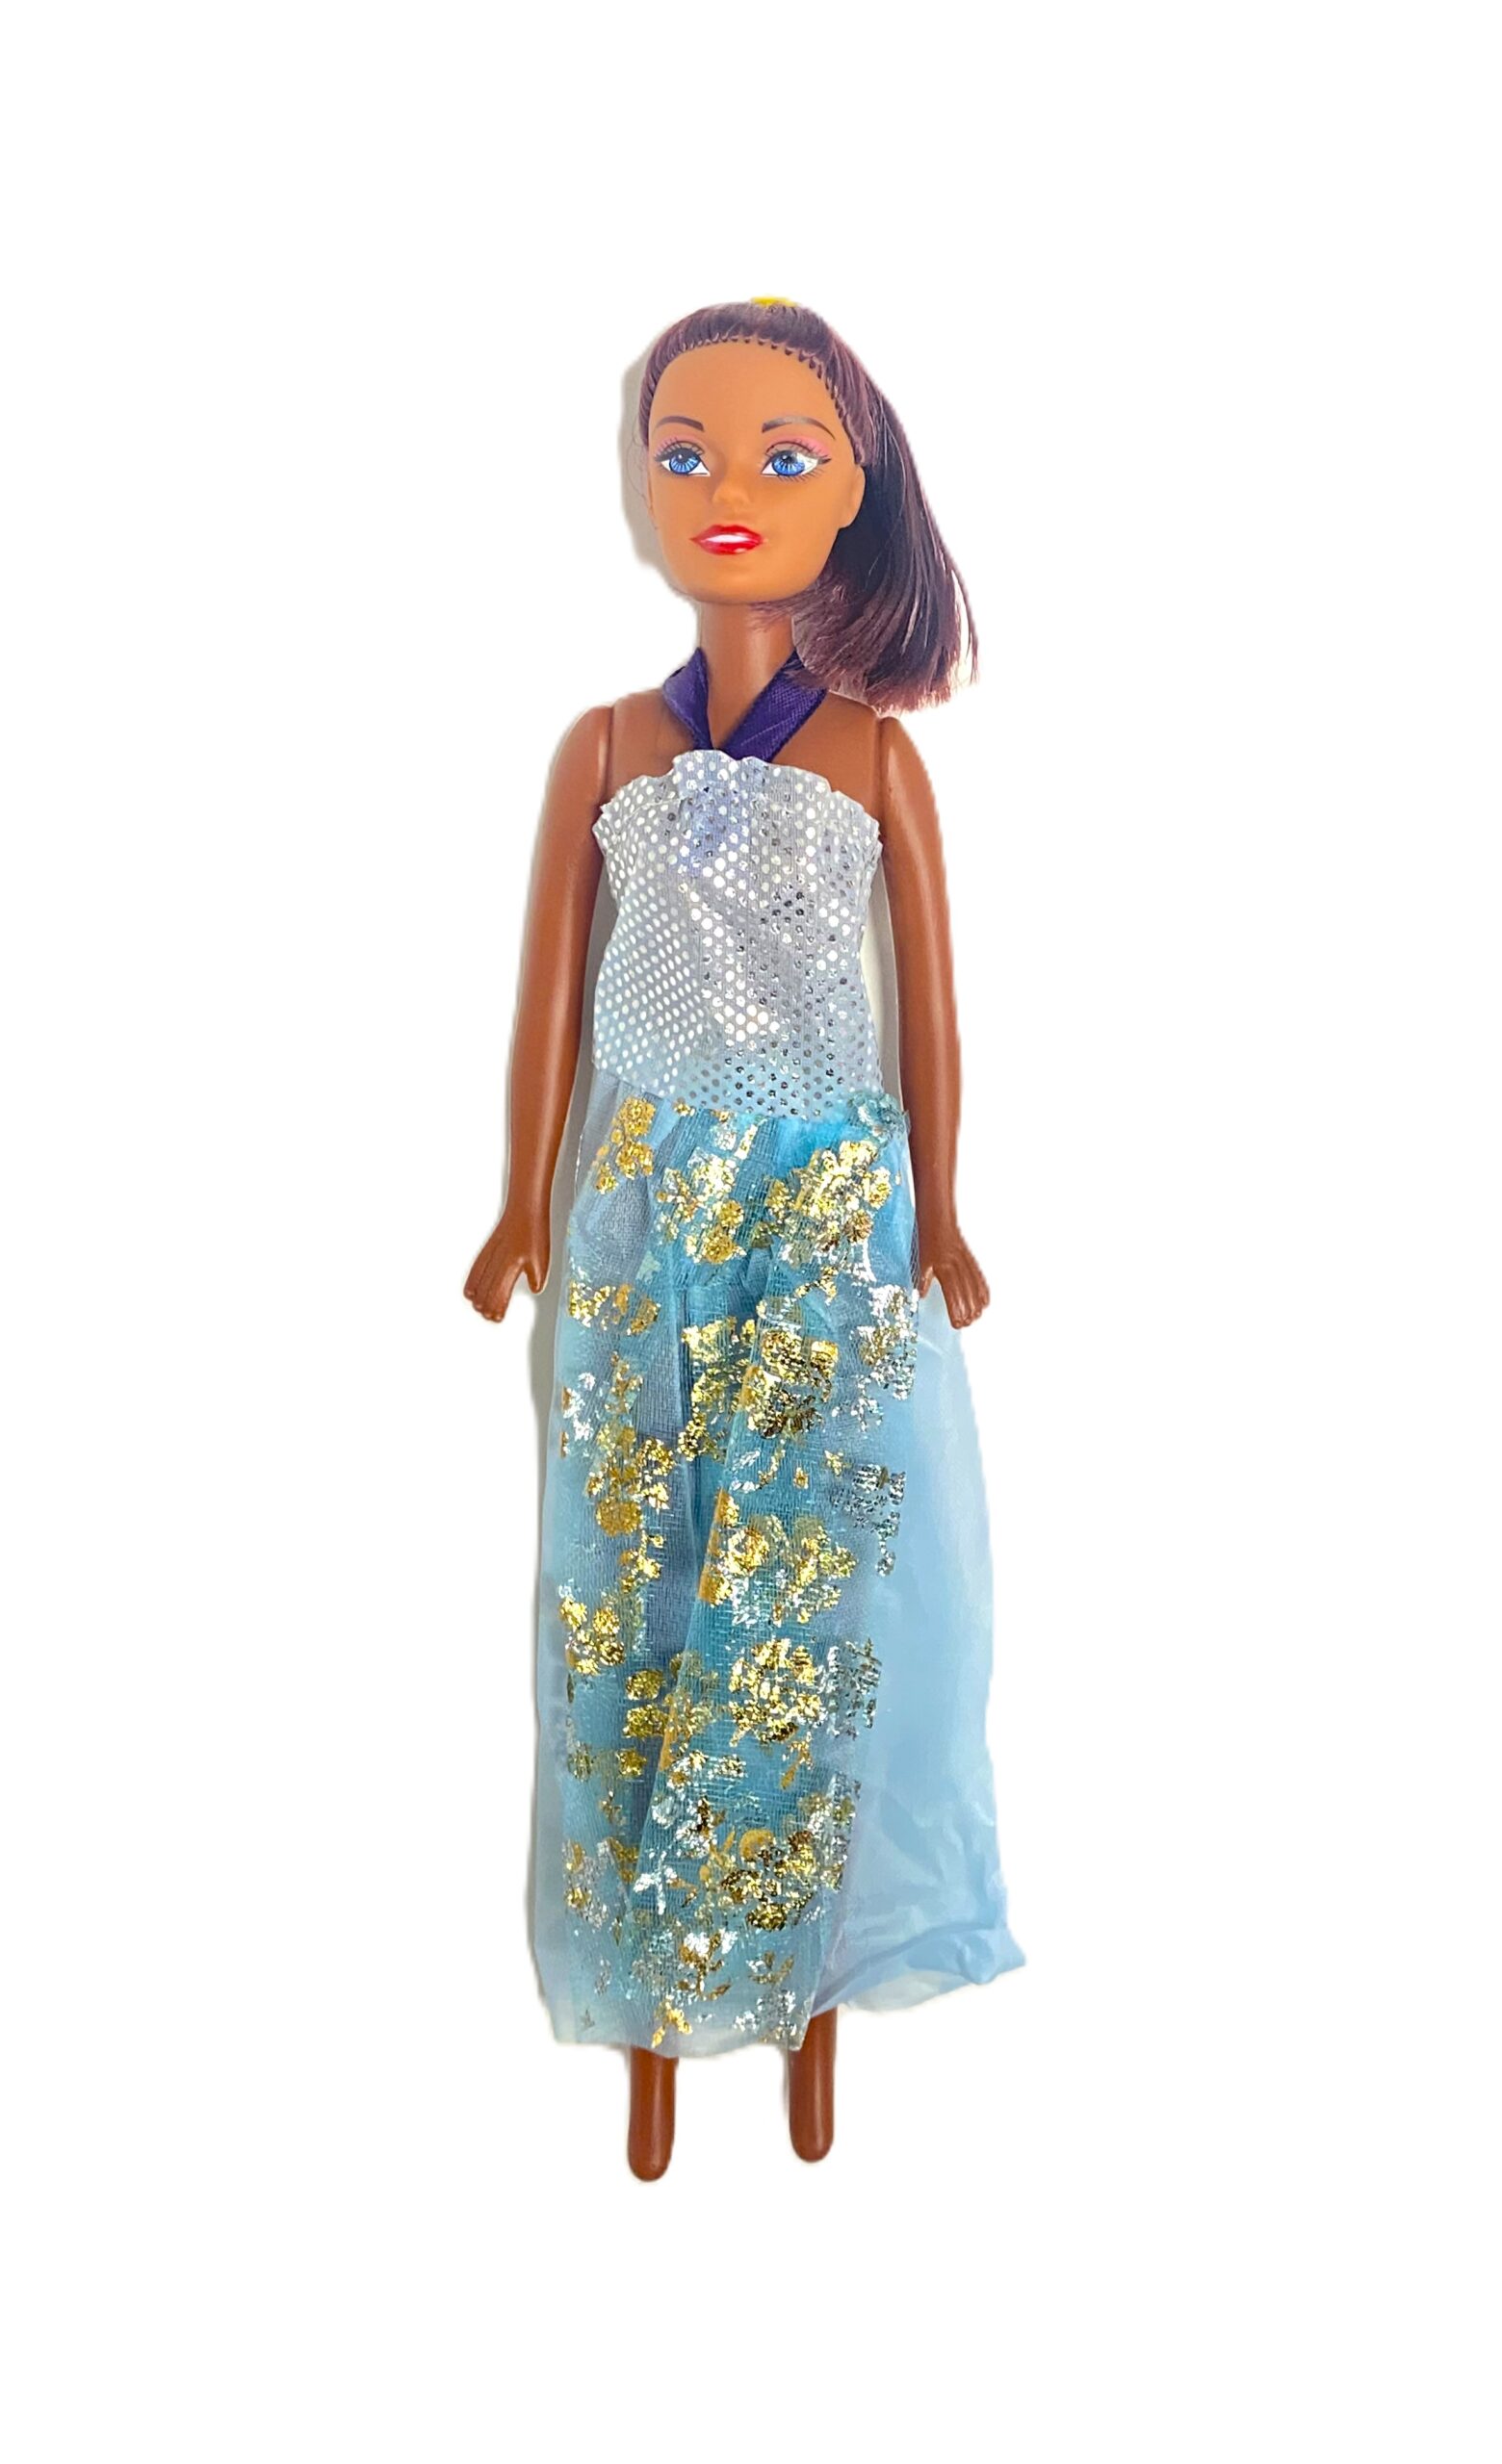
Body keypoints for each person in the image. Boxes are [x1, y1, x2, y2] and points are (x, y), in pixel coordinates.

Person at [465, 299, 1023, 2177]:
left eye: (785, 455)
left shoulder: (873, 758)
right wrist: (518, 1204)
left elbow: (930, 1008)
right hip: (637, 1216)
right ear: (640, 479)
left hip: (825, 1219)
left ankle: (801, 2012)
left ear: (852, 493)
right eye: (685, 449)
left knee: (799, 1606)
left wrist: (943, 1206)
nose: (727, 487)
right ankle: (644, 2028)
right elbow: (551, 1003)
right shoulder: (607, 746)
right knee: (627, 1587)